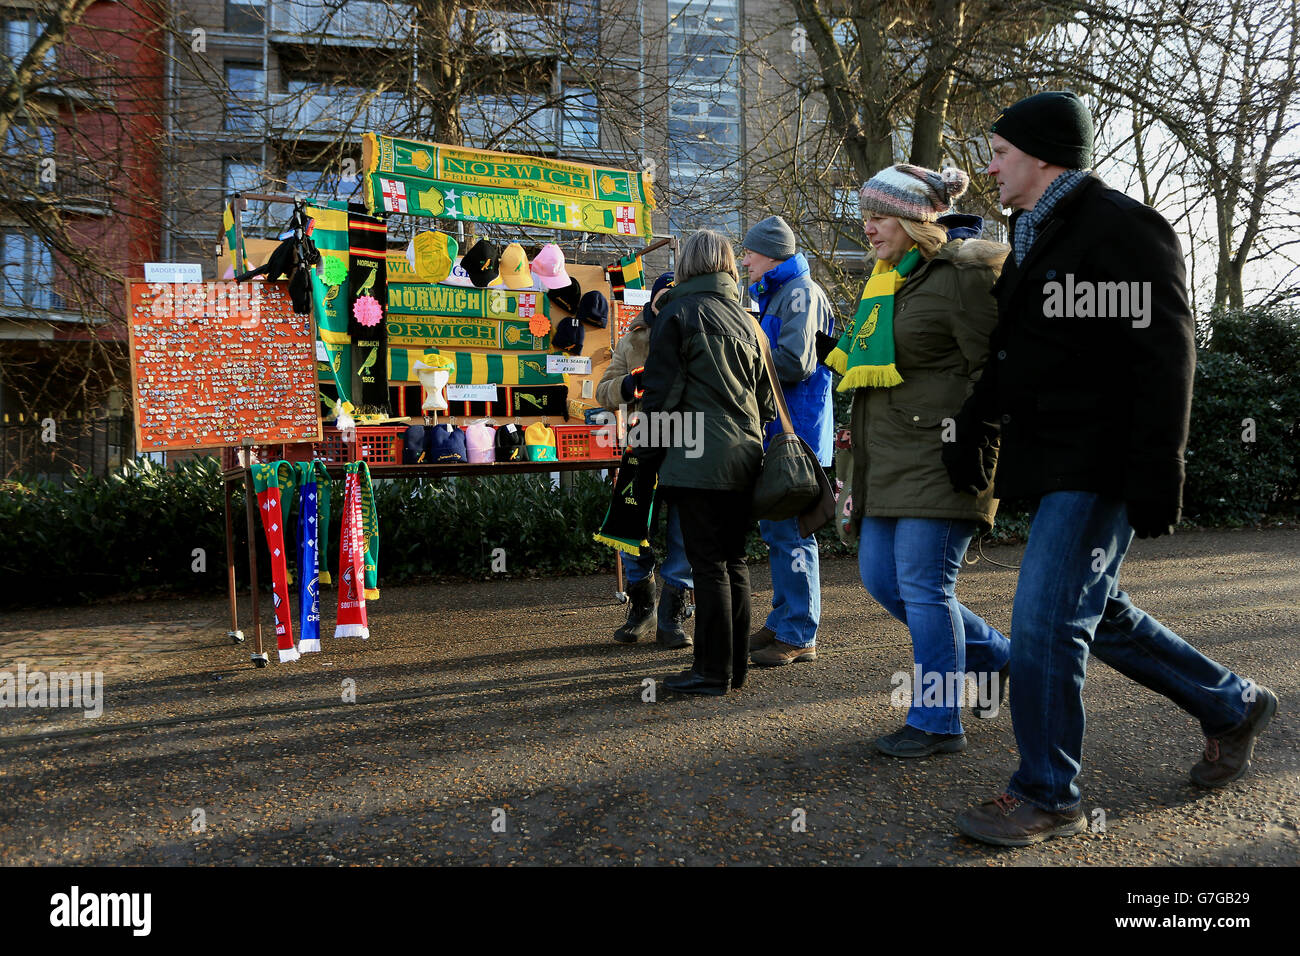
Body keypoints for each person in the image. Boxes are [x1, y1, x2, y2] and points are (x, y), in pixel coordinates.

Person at [945, 90, 1278, 846]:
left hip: (1103, 461)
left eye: (999, 152)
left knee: (1045, 621)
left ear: (1040, 154)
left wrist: (1162, 466)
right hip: (1056, 458)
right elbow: (1019, 350)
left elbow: (1167, 355)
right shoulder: (1033, 231)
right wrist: (974, 419)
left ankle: (1046, 792)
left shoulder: (1122, 226)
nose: (989, 166)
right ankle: (1232, 705)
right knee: (1097, 611)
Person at [827, 163, 1012, 757]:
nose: (869, 227)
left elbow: (999, 369)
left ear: (912, 219)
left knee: (926, 588)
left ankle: (937, 721)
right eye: (866, 215)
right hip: (887, 464)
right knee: (884, 581)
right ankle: (997, 656)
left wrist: (978, 443)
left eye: (878, 216)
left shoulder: (962, 273)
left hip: (943, 456)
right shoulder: (887, 280)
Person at [636, 229, 776, 695]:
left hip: (696, 458)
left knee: (708, 565)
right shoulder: (747, 319)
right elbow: (768, 403)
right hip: (744, 455)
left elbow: (660, 398)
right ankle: (734, 668)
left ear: (688, 265)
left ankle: (711, 672)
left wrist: (646, 458)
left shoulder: (677, 312)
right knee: (733, 561)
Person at [739, 216, 836, 667]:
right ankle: (785, 622)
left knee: (793, 531)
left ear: (772, 253)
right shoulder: (783, 292)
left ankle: (799, 632)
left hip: (797, 430)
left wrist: (739, 352)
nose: (744, 261)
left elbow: (794, 362)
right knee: (780, 529)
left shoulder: (799, 294)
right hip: (788, 427)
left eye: (750, 254)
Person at [595, 272, 695, 648]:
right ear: (651, 302)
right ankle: (642, 607)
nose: (666, 303)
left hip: (687, 438)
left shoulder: (693, 328)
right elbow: (604, 391)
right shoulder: (632, 337)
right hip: (643, 438)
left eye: (674, 296)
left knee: (682, 530)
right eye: (661, 298)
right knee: (629, 524)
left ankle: (671, 614)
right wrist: (626, 386)